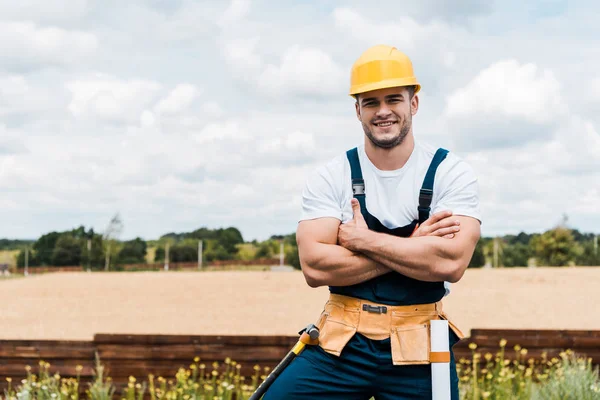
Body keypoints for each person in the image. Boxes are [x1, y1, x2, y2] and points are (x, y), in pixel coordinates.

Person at [262, 44, 482, 399]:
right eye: (370, 103)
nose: (383, 112)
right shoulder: (331, 176)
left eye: (393, 99)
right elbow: (315, 268)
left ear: (414, 103)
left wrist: (360, 240)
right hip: (340, 341)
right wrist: (414, 246)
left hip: (420, 345)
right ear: (357, 110)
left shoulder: (449, 172)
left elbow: (450, 261)